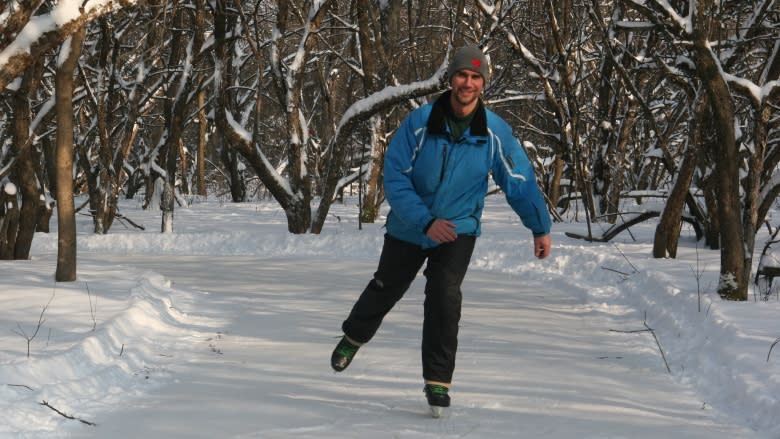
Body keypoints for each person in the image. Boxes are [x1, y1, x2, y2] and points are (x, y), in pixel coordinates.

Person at [330, 45, 553, 415]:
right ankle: (353, 336)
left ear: (483, 84)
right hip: (409, 226)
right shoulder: (419, 123)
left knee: (444, 295)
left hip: (458, 228)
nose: (468, 83)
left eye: (475, 77)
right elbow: (395, 178)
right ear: (451, 79)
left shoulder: (494, 132)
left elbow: (519, 180)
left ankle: (438, 380)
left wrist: (539, 227)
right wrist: (425, 221)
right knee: (385, 287)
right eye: (462, 75)